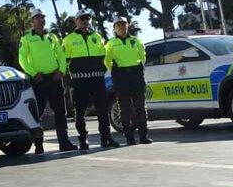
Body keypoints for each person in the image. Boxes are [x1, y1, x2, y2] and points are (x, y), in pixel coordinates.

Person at [18, 9, 78, 154]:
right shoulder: (26, 39)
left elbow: (61, 56)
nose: (41, 19)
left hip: (55, 78)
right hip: (38, 80)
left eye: (43, 17)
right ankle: (39, 145)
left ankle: (64, 142)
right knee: (37, 113)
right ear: (32, 21)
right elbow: (22, 59)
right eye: (37, 17)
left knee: (60, 113)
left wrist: (61, 71)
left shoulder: (52, 37)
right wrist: (33, 73)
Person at [62, 9, 119, 149]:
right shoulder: (68, 40)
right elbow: (64, 60)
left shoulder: (97, 37)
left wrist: (104, 69)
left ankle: (106, 138)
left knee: (102, 109)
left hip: (97, 80)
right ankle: (83, 140)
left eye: (87, 18)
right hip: (80, 81)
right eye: (82, 18)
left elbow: (103, 56)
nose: (85, 21)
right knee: (80, 111)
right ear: (76, 21)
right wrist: (68, 75)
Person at [104, 16, 152, 145]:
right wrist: (114, 70)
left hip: (136, 75)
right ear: (114, 28)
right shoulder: (111, 43)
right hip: (120, 76)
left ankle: (143, 136)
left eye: (123, 24)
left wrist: (139, 67)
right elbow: (106, 60)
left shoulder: (136, 41)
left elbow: (143, 56)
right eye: (118, 25)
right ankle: (129, 138)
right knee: (124, 108)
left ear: (127, 25)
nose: (121, 26)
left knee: (140, 107)